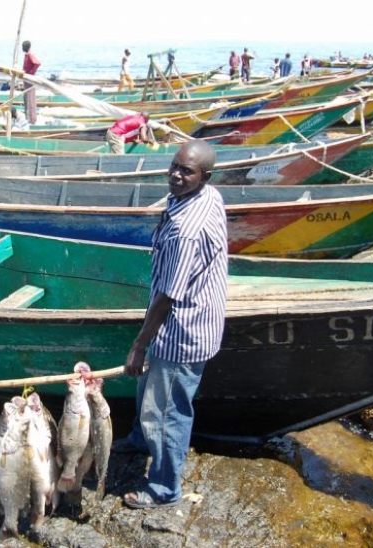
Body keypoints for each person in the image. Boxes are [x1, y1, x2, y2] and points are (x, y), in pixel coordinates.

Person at [115, 140, 228, 509]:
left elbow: (167, 296)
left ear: (204, 176)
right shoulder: (206, 194)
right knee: (147, 387)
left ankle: (165, 488)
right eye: (174, 167)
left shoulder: (187, 231)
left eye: (187, 172)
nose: (176, 176)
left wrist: (139, 344)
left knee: (167, 411)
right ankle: (139, 439)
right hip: (186, 317)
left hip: (182, 330)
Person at [21, 40, 41, 124]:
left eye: (23, 46)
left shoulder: (29, 55)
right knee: (27, 98)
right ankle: (29, 117)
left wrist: (31, 72)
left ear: (26, 47)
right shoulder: (26, 55)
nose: (22, 48)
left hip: (29, 79)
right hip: (26, 79)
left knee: (30, 99)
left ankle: (32, 119)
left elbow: (37, 63)